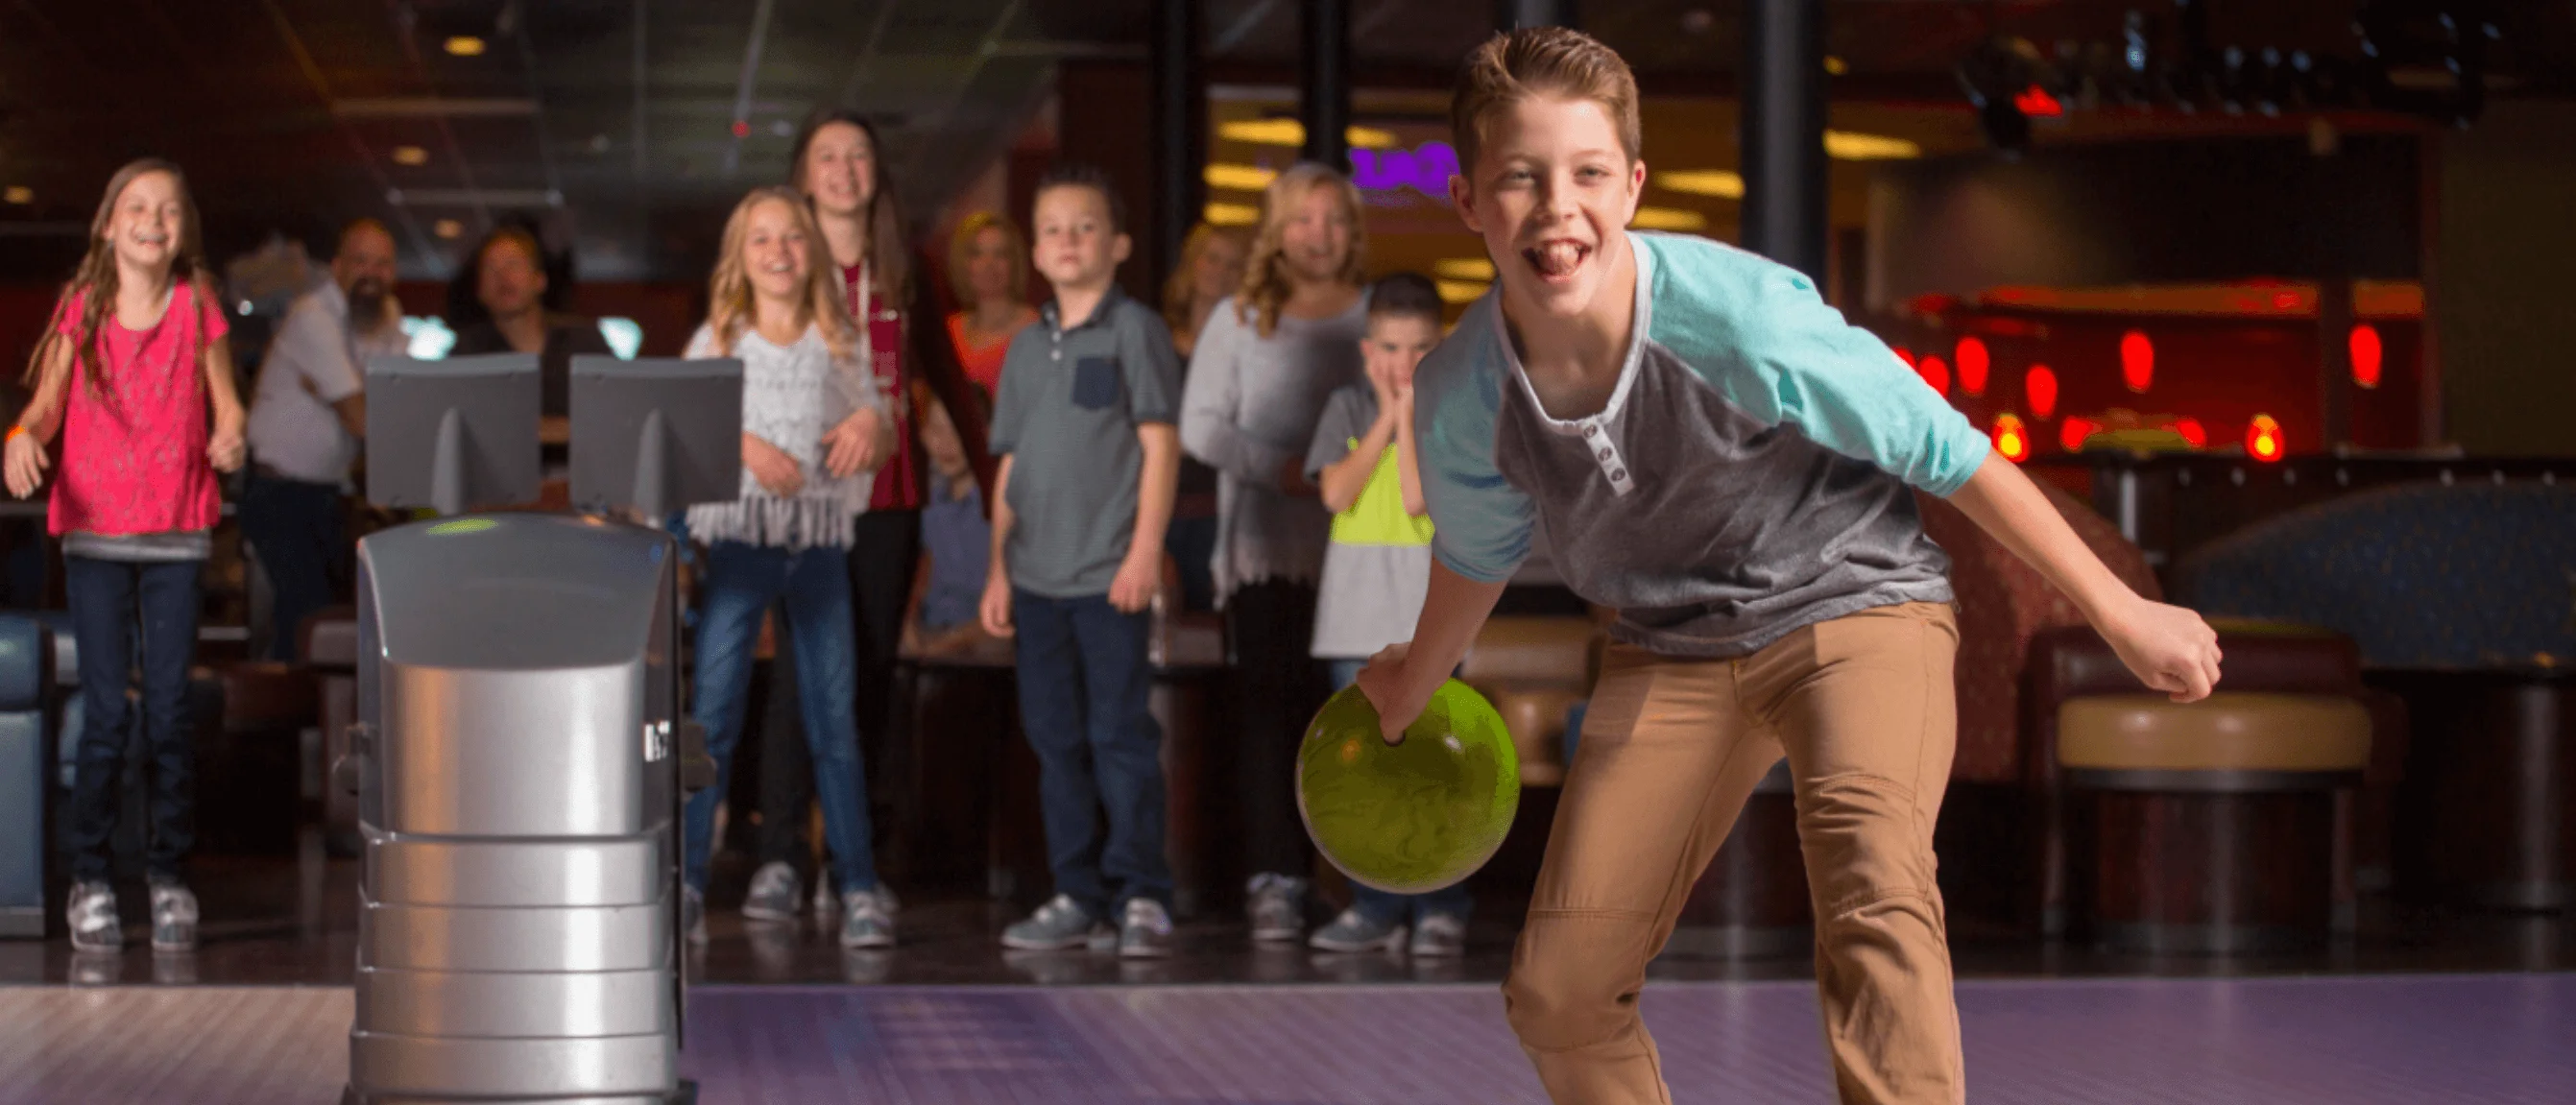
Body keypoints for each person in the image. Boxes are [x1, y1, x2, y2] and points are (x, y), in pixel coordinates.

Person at [1357, 29, 2225, 1105]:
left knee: (1872, 891)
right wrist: (1415, 673)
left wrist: (2121, 610)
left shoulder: (1739, 318)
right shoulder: (1458, 393)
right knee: (1558, 991)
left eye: (1586, 174)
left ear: (1631, 185)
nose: (1556, 208)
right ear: (1469, 202)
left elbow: (1949, 452)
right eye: (1519, 179)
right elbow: (1477, 553)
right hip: (1668, 643)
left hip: (1853, 602)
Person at [5, 158, 248, 952]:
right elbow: (42, 408)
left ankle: (170, 873)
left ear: (185, 231)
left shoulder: (195, 303)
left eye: (169, 210)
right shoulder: (82, 307)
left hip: (176, 532)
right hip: (98, 536)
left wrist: (231, 434)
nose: (153, 220)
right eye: (137, 208)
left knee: (171, 709)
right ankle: (93, 878)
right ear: (109, 225)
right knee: (108, 712)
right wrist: (19, 441)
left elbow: (228, 402)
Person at [675, 186, 899, 950]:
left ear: (814, 253)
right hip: (738, 548)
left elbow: (879, 421)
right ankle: (688, 882)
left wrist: (874, 419)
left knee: (833, 715)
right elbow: (680, 426)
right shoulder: (718, 340)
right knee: (714, 711)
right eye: (761, 239)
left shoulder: (838, 342)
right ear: (740, 256)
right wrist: (743, 447)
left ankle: (858, 880)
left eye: (792, 238)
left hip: (817, 549)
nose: (778, 252)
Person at [978, 163, 1183, 958]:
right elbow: (1009, 467)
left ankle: (1142, 896)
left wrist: (1143, 552)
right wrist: (998, 567)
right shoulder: (1025, 349)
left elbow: (1159, 445)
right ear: (1037, 249)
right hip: (1033, 580)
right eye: (1054, 228)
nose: (1068, 240)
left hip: (1109, 577)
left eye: (1085, 226)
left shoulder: (1137, 331)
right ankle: (1075, 893)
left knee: (1120, 735)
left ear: (1119, 243)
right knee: (1054, 740)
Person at [1178, 162, 1370, 944]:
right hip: (1262, 548)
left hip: (1362, 555)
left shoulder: (1373, 317)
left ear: (1352, 229)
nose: (1317, 235)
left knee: (1353, 725)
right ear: (1275, 230)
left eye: (1331, 219)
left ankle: (1365, 886)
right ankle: (1275, 879)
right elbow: (1200, 426)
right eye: (1300, 219)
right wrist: (1285, 470)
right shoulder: (1239, 317)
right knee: (1270, 718)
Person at [743, 109, 922, 925]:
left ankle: (859, 861)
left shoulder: (903, 266)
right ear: (804, 174)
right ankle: (779, 853)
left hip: (887, 498)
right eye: (827, 156)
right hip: (803, 500)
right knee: (798, 675)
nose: (845, 169)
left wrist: (995, 487)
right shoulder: (782, 261)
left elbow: (939, 379)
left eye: (859, 153)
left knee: (873, 671)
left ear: (875, 172)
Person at [1298, 273, 1472, 957]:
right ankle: (1373, 906)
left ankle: (1439, 902)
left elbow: (1414, 498)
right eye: (1392, 348)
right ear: (1369, 349)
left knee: (1429, 763)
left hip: (1427, 618)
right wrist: (1380, 415)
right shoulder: (1343, 407)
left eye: (1420, 349)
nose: (1404, 365)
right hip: (1354, 619)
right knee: (1363, 767)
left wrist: (1406, 414)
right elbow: (1337, 495)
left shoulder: (1450, 411)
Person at [239, 217, 404, 661]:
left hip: (329, 494)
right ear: (337, 268)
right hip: (279, 492)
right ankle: (285, 727)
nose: (372, 272)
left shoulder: (386, 318)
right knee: (307, 617)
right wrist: (357, 403)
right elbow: (363, 419)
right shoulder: (312, 316)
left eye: (383, 263)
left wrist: (354, 401)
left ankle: (315, 724)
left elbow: (402, 406)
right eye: (360, 260)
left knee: (331, 617)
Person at [444, 223, 613, 419]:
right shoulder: (465, 355)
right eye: (491, 268)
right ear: (479, 290)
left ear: (540, 280)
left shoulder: (585, 342)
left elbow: (618, 410)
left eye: (513, 264)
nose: (503, 276)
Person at [902, 387, 999, 660]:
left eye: (959, 430)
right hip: (931, 634)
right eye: (936, 429)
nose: (947, 443)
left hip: (986, 642)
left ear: (988, 433)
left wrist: (952, 644)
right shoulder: (924, 501)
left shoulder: (1003, 506)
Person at [944, 211, 1039, 399]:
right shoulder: (949, 330)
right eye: (977, 254)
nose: (989, 264)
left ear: (1014, 262)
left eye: (1000, 254)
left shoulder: (1036, 331)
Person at [1163, 221, 1250, 361]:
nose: (1221, 271)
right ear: (1192, 262)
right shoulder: (1158, 335)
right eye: (1212, 259)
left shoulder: (1247, 343)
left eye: (1233, 265)